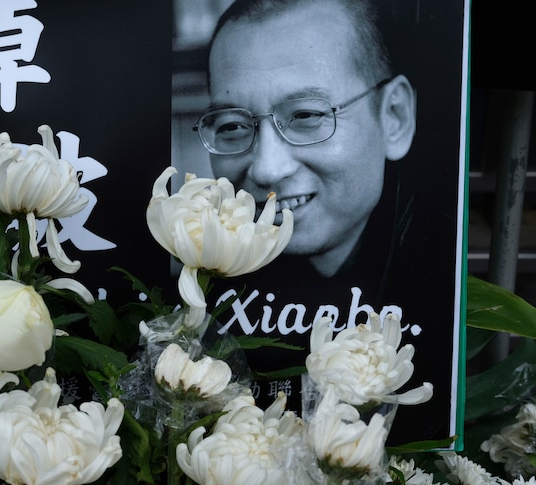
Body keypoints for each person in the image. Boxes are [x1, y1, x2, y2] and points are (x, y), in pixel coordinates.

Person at [194, 0, 464, 445]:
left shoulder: (460, 298)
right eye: (232, 126)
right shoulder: (197, 294)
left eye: (305, 116)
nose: (266, 168)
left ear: (393, 116)